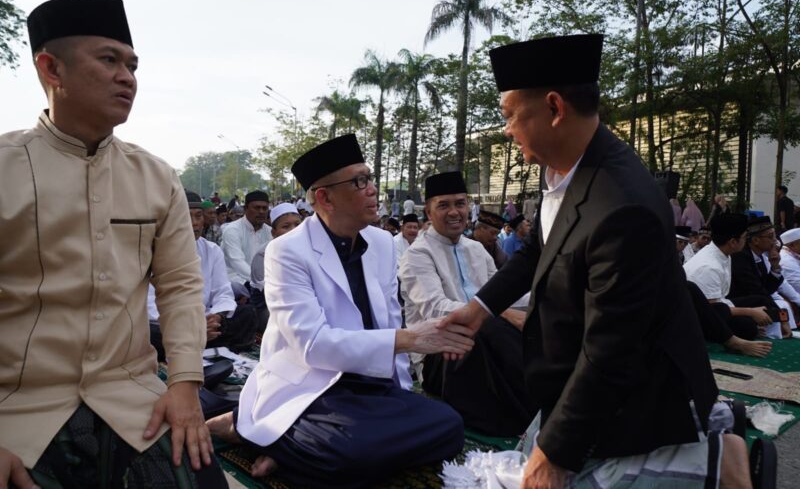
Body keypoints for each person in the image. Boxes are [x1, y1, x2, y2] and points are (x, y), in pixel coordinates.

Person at [441, 35, 749, 488]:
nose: (506, 129)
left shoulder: (622, 205)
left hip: (639, 379)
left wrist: (556, 452)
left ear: (554, 107)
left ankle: (718, 458)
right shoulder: (564, 169)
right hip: (586, 360)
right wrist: (478, 309)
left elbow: (612, 348)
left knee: (557, 476)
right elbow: (537, 251)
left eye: (510, 115)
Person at [0, 0, 225, 488]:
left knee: (200, 477)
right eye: (109, 60)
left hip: (130, 396)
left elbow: (182, 285)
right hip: (18, 405)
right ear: (51, 67)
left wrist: (184, 385)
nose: (128, 77)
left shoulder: (156, 176)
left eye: (133, 65)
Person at [207, 134, 468, 488]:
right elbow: (312, 346)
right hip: (312, 387)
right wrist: (411, 339)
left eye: (369, 178)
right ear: (324, 197)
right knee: (350, 452)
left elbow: (388, 318)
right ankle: (257, 430)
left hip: (369, 384)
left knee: (448, 425)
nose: (373, 189)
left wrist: (401, 390)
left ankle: (283, 447)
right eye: (359, 181)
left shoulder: (380, 243)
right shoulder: (287, 251)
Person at [400, 172, 532, 437]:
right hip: (440, 355)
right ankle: (529, 417)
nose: (454, 212)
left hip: (490, 343)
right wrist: (499, 312)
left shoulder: (476, 249)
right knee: (482, 327)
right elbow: (437, 310)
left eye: (460, 204)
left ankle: (546, 405)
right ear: (428, 210)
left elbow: (507, 293)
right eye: (444, 205)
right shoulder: (417, 255)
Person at [149, 191, 258, 356]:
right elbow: (148, 305)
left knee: (247, 313)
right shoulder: (151, 251)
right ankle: (199, 344)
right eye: (186, 216)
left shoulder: (211, 250)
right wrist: (191, 327)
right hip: (170, 324)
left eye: (198, 216)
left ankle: (199, 344)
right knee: (147, 333)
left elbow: (223, 293)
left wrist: (217, 317)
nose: (194, 224)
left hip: (205, 320)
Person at [684, 213, 774, 357]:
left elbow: (721, 300)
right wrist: (751, 312)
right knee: (747, 327)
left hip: (718, 304)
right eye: (744, 237)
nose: (746, 241)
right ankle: (734, 341)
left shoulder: (724, 254)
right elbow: (712, 310)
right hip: (698, 316)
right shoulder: (708, 266)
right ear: (733, 242)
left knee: (760, 300)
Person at [729, 216, 792, 338]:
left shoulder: (760, 256)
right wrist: (782, 317)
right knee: (767, 306)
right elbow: (758, 292)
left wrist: (775, 267)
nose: (775, 241)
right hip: (730, 305)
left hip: (751, 301)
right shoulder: (741, 257)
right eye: (770, 237)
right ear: (756, 240)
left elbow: (767, 289)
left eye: (774, 236)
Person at [249, 202, 304, 334]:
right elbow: (276, 298)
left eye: (297, 225)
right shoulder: (263, 255)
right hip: (271, 309)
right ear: (274, 233)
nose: (293, 230)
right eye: (286, 226)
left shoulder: (309, 250)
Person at [221, 190, 272, 284]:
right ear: (245, 209)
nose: (261, 211)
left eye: (264, 208)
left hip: (263, 283)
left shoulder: (270, 231)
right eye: (257, 208)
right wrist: (262, 283)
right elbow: (237, 263)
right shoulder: (232, 230)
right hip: (235, 281)